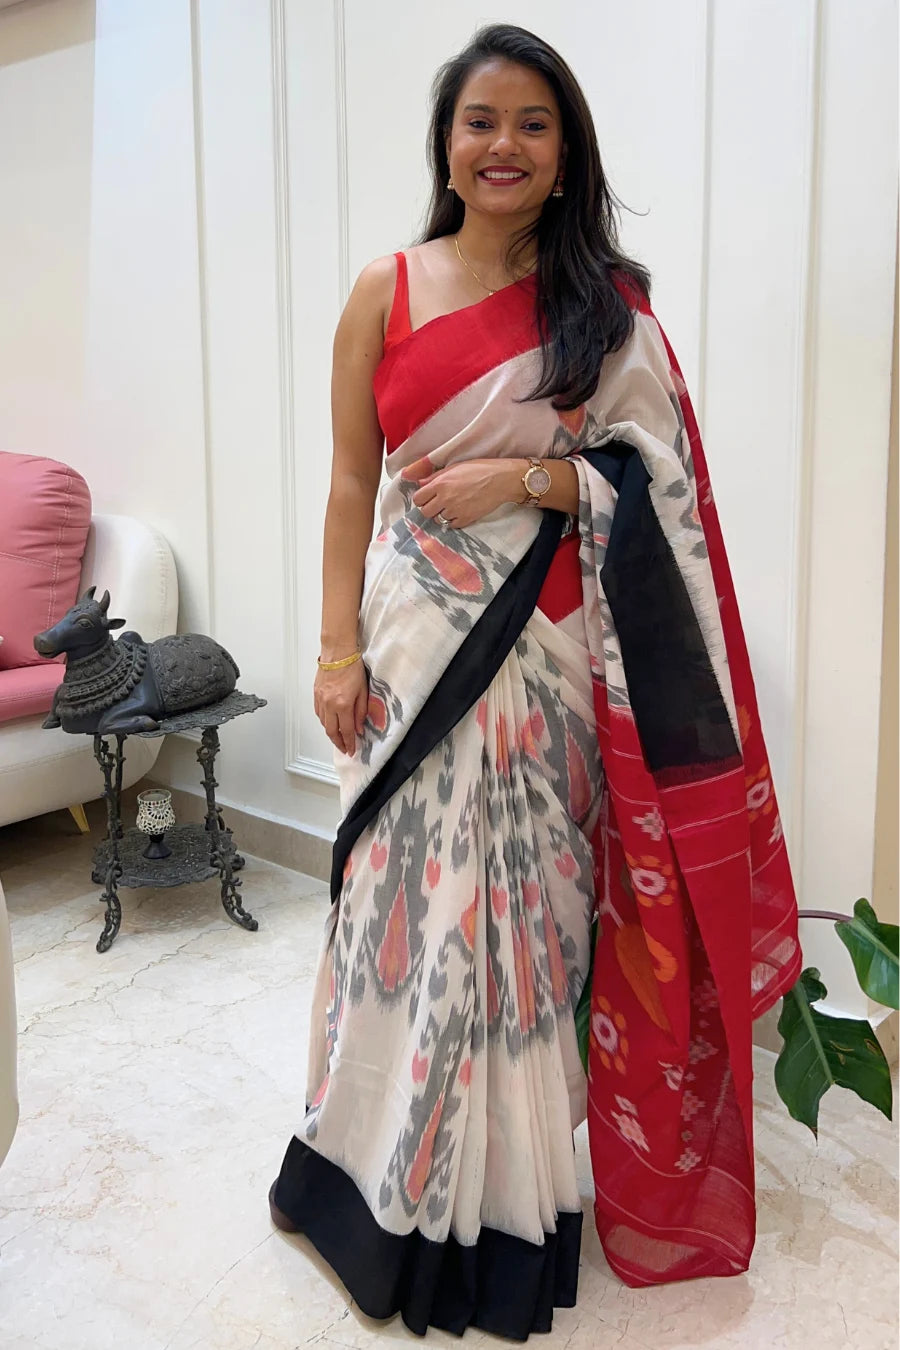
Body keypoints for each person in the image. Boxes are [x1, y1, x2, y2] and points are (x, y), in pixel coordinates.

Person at [270, 22, 801, 1340]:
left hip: (546, 655)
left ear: (566, 156)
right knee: (404, 914)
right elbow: (352, 479)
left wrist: (526, 477)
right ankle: (371, 1170)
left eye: (533, 124)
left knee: (520, 930)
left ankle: (502, 1210)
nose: (503, 145)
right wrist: (333, 647)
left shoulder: (605, 309)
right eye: (479, 121)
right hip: (408, 647)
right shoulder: (382, 288)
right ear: (445, 144)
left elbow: (657, 484)